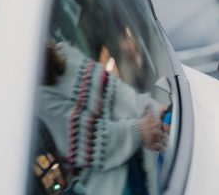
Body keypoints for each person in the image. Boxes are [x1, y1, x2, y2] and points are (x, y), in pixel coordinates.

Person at [37, 41, 167, 195]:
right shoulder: (39, 97)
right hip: (113, 188)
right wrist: (139, 130)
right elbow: (88, 139)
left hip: (133, 162)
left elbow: (112, 90)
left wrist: (150, 108)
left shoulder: (64, 51)